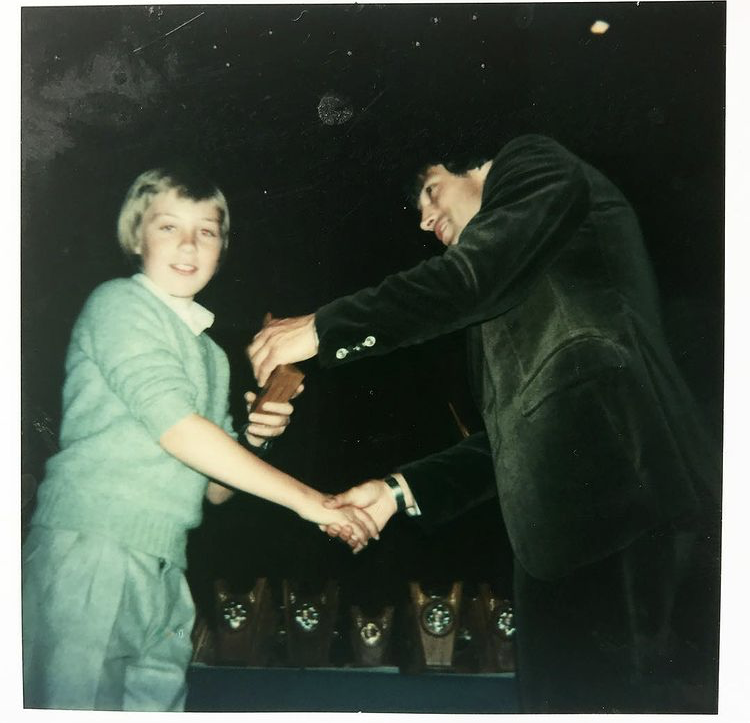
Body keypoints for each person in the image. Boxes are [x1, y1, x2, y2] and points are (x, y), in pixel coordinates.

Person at [248, 134, 721, 713]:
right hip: (554, 539)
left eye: (430, 191)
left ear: (474, 165)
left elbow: (472, 278)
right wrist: (396, 493)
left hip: (627, 492)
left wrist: (324, 327)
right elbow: (506, 445)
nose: (425, 221)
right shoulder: (496, 310)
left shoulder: (536, 165)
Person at [22, 166, 377, 712]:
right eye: (168, 227)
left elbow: (214, 490)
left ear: (221, 247)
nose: (188, 244)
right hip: (92, 549)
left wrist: (257, 436)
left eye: (206, 231)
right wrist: (313, 502)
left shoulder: (210, 356)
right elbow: (179, 431)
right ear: (136, 236)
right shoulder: (120, 304)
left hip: (166, 569)